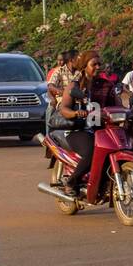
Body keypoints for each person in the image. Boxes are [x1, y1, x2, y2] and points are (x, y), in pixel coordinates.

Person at [53, 51, 105, 190]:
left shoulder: (103, 85)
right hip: (77, 129)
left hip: (98, 127)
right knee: (91, 151)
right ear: (84, 67)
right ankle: (72, 182)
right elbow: (64, 109)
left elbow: (116, 102)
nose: (98, 67)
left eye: (99, 64)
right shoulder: (74, 86)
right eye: (94, 64)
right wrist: (76, 113)